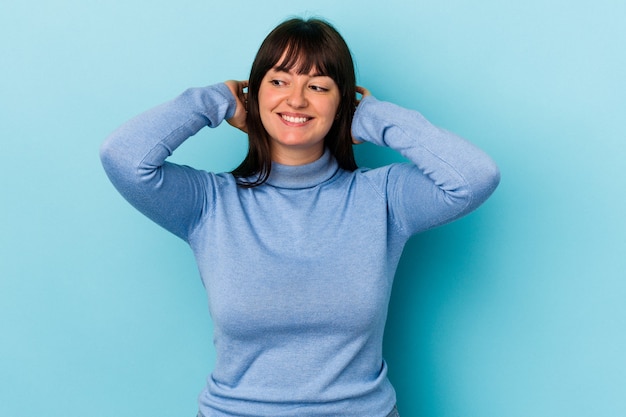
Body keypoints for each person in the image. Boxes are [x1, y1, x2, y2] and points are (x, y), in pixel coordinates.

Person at [100, 17, 500, 417]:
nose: (295, 100)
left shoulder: (384, 197)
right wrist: (213, 101)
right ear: (253, 94)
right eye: (278, 81)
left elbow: (474, 177)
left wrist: (376, 118)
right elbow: (123, 157)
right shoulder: (208, 202)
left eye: (318, 86)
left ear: (342, 103)